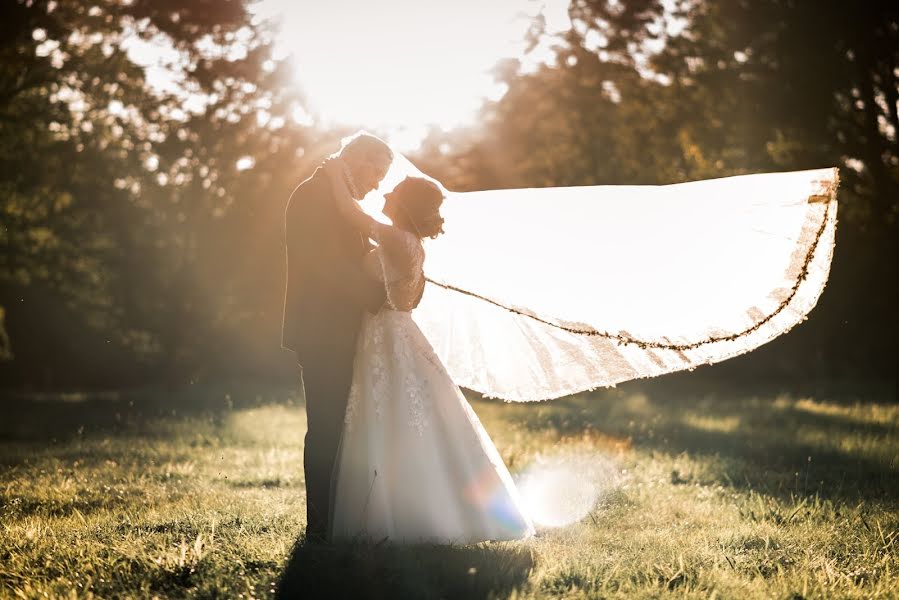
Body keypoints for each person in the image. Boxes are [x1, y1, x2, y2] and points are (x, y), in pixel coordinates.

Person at [321, 162, 535, 543]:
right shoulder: (405, 243)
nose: (384, 194)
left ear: (404, 204)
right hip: (392, 333)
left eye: (393, 192)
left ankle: (416, 517)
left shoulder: (398, 240)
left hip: (387, 335)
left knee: (395, 416)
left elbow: (348, 212)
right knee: (405, 414)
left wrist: (335, 172)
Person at [281, 132, 396, 543]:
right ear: (355, 160)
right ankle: (320, 528)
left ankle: (342, 520)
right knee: (327, 426)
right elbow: (325, 265)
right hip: (321, 330)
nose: (379, 183)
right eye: (377, 171)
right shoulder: (314, 196)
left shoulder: (336, 198)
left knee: (341, 426)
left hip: (341, 328)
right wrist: (377, 294)